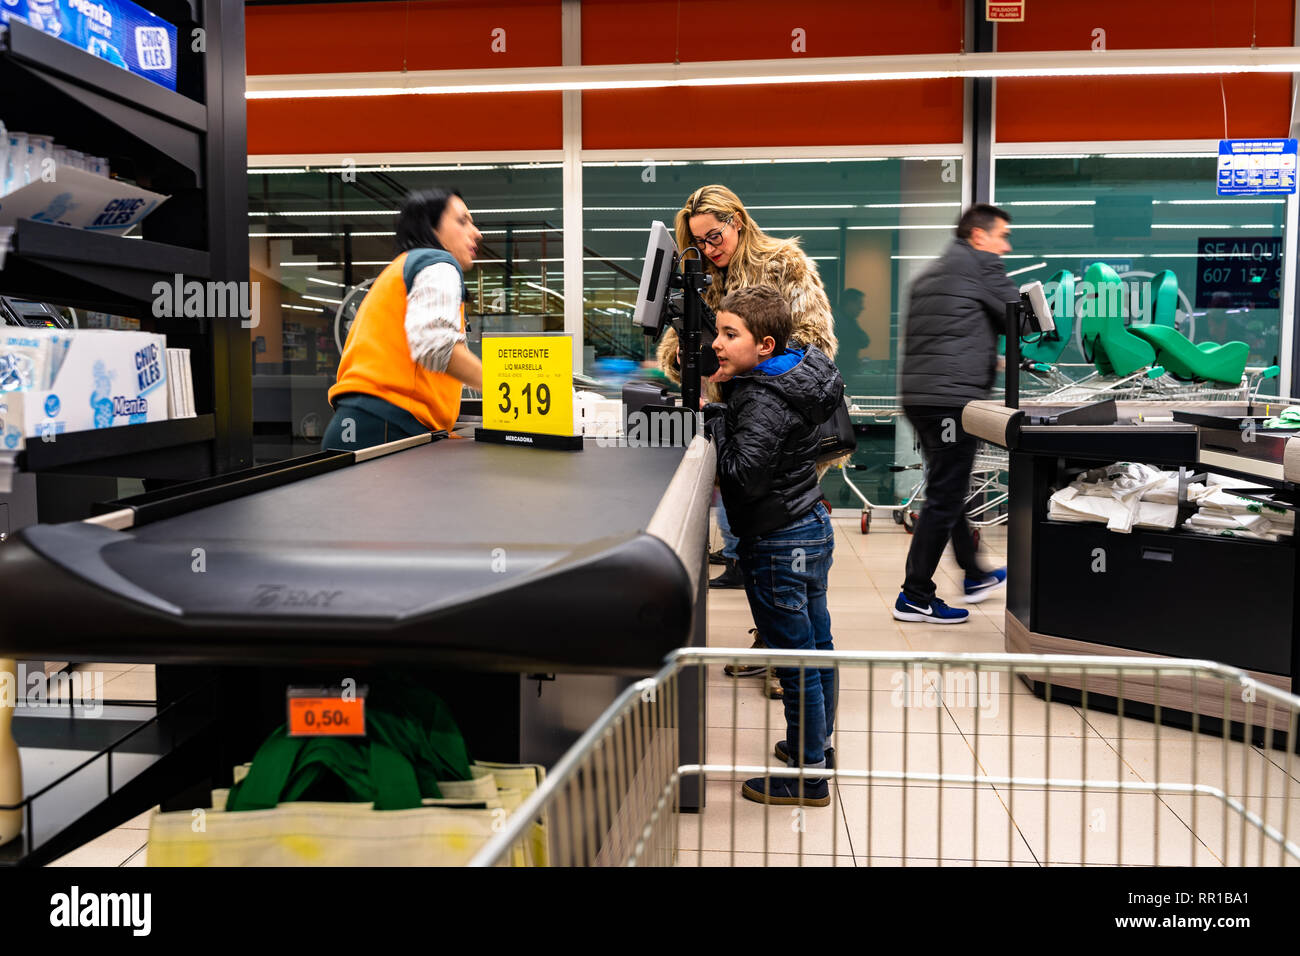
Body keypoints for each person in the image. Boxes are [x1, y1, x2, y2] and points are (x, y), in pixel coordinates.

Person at [703, 285, 844, 807]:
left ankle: (807, 777)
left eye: (728, 334)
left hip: (776, 540)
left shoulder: (760, 396)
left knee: (793, 660)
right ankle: (818, 749)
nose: (717, 343)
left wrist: (715, 421)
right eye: (718, 330)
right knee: (817, 645)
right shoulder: (794, 373)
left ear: (764, 344)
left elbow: (742, 475)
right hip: (809, 524)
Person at [895, 203, 1015, 624]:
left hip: (921, 396)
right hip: (951, 401)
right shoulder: (983, 264)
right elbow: (1019, 317)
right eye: (1002, 236)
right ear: (979, 236)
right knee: (945, 494)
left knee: (948, 485)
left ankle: (975, 574)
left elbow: (947, 333)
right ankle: (915, 595)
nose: (1006, 245)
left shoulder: (930, 274)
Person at [322, 188, 484, 451]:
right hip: (387, 428)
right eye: (462, 221)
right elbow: (437, 346)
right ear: (431, 227)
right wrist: (502, 385)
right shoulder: (437, 264)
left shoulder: (403, 267)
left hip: (364, 425)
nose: (477, 232)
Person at [833, 287, 871, 385]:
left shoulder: (849, 320)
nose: (862, 307)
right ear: (849, 303)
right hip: (841, 373)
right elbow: (861, 340)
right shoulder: (840, 321)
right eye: (859, 303)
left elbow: (864, 341)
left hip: (841, 373)